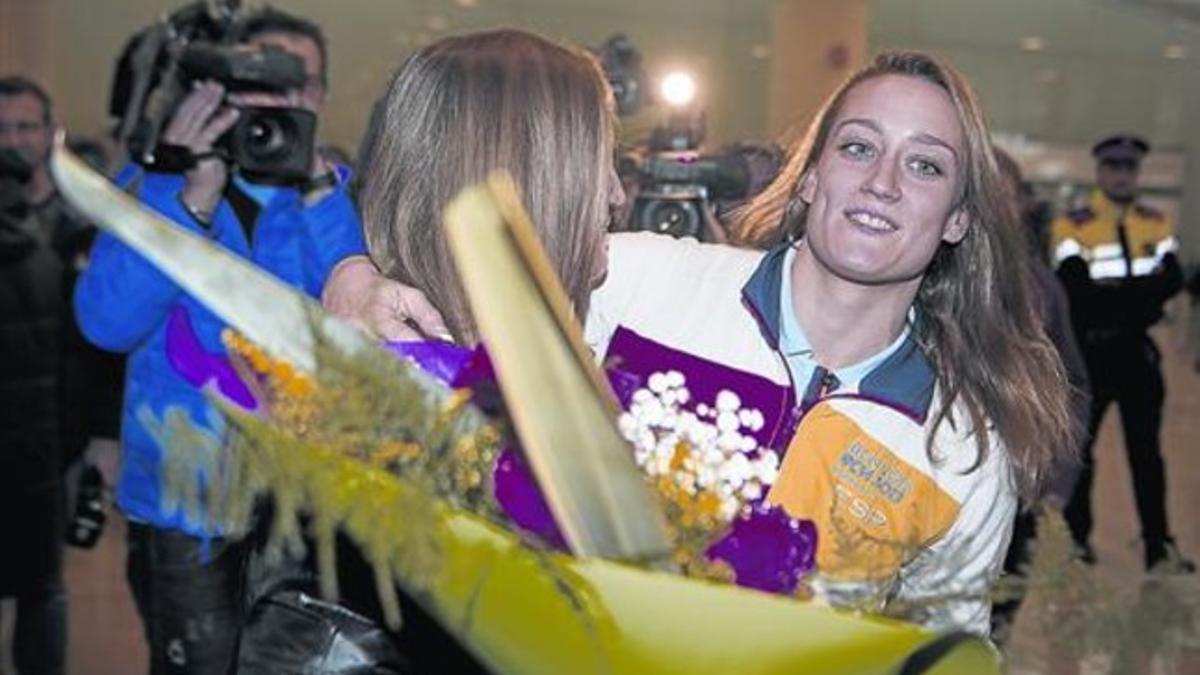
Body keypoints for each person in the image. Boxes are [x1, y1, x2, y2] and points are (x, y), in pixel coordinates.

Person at [327, 51, 1075, 636]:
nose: (882, 182)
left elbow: (942, 647)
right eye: (857, 147)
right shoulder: (640, 279)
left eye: (925, 165)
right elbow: (454, 317)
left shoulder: (963, 446)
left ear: (958, 220)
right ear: (809, 177)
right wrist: (352, 273)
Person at [234, 28, 624, 673]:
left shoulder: (486, 374)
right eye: (601, 160)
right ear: (532, 182)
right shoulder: (384, 437)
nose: (615, 192)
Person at [74, 8, 368, 673]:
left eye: (299, 82)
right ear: (223, 84)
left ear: (320, 96)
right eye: (262, 75)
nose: (279, 99)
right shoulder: (157, 189)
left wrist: (323, 198)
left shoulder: (334, 201)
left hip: (308, 509)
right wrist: (188, 197)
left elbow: (360, 333)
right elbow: (105, 322)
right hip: (188, 507)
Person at [0, 75, 125, 675]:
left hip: (65, 431)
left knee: (44, 581)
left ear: (51, 134)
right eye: (2, 129)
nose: (13, 141)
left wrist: (105, 435)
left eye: (25, 127)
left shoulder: (85, 213)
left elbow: (106, 344)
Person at [1051, 134, 1192, 573]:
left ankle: (1157, 548)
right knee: (1083, 454)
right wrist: (1138, 297)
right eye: (1113, 166)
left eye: (1129, 167)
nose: (1122, 174)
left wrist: (1116, 294)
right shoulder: (1072, 225)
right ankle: (1079, 541)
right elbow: (1078, 294)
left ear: (1137, 172)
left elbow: (1172, 280)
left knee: (1147, 454)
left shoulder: (1157, 221)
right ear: (1099, 171)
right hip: (1091, 356)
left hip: (1137, 355)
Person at [988, 148, 1090, 642]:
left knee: (994, 624)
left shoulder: (1043, 291)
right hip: (934, 488)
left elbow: (1071, 387)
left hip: (1017, 487)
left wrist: (1057, 482)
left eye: (1003, 197)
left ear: (1023, 206)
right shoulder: (920, 277)